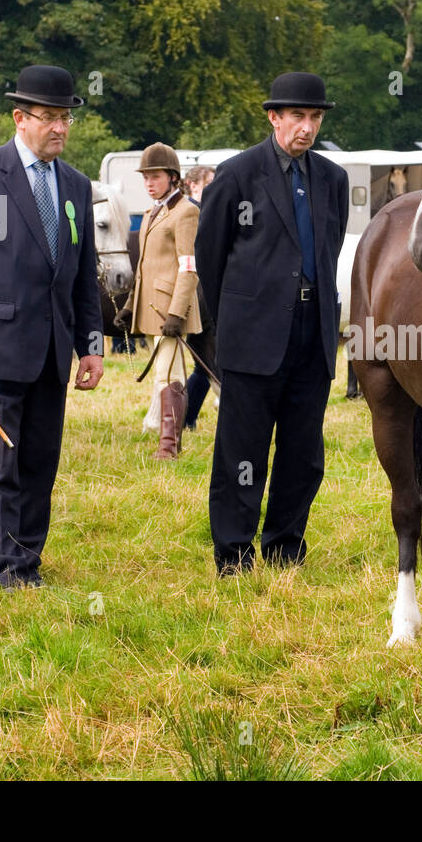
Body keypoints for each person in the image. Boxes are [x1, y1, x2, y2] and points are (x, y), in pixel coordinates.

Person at [0, 65, 104, 589]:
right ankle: (6, 568)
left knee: (38, 463)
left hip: (51, 354)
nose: (60, 128)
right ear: (19, 118)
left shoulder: (76, 185)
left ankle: (27, 557)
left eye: (65, 118)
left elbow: (80, 277)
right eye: (49, 118)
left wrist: (90, 346)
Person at [194, 72, 349, 575]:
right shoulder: (237, 176)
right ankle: (234, 553)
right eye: (297, 117)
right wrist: (227, 326)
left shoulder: (332, 179)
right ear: (273, 117)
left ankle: (285, 547)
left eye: (315, 118)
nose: (307, 128)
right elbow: (210, 256)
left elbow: (329, 248)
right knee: (243, 452)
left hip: (314, 331)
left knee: (303, 454)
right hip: (252, 335)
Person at [114, 143, 201, 458]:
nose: (149, 183)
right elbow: (143, 268)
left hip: (170, 311)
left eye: (155, 176)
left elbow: (188, 267)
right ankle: (169, 444)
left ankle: (169, 447)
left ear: (173, 178)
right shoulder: (153, 211)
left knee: (168, 374)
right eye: (146, 177)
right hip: (151, 309)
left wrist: (177, 312)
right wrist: (128, 306)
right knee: (169, 372)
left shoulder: (186, 211)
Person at [181, 165, 216, 431]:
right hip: (193, 298)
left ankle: (187, 419)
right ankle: (180, 420)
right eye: (209, 184)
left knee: (204, 365)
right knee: (203, 363)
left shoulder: (205, 212)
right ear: (193, 185)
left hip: (203, 299)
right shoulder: (191, 213)